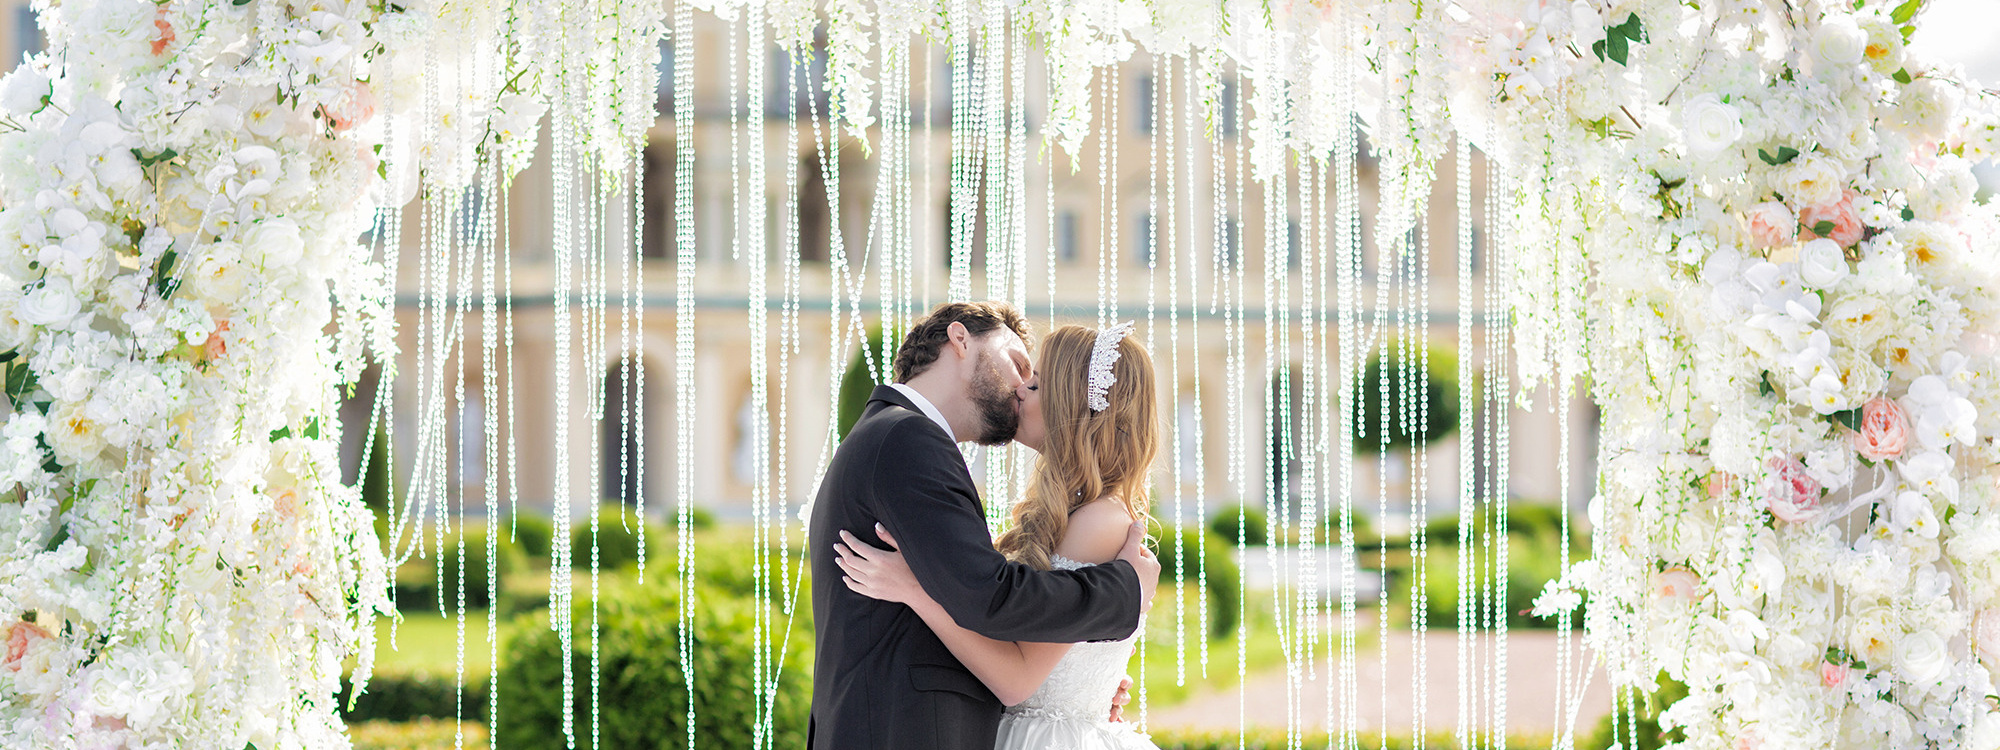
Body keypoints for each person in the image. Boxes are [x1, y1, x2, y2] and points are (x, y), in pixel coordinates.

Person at [807, 302, 1162, 750]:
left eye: (1034, 383)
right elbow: (992, 597)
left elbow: (998, 616)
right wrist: (1123, 589)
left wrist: (1091, 678)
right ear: (960, 340)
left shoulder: (895, 434)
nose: (1019, 389)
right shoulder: (908, 438)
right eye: (1019, 368)